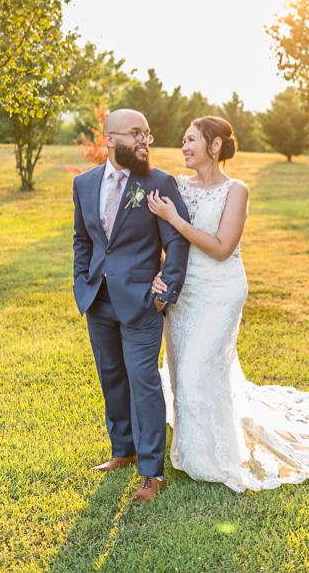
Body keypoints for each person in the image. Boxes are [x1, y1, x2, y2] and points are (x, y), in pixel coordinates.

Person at [146, 117, 309, 492]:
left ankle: (216, 458)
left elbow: (221, 248)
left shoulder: (237, 190)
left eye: (191, 140)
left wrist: (173, 218)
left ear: (214, 145)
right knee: (183, 371)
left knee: (198, 367)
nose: (183, 147)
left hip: (222, 290)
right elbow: (162, 239)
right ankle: (189, 451)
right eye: (182, 140)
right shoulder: (176, 186)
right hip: (185, 292)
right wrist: (160, 273)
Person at [71, 109, 190, 505]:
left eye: (148, 135)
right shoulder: (84, 184)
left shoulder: (159, 182)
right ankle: (123, 450)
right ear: (110, 138)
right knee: (111, 376)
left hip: (142, 302)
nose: (144, 141)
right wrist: (81, 282)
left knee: (143, 382)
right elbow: (82, 239)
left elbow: (176, 243)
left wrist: (164, 291)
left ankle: (151, 472)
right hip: (97, 299)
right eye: (136, 134)